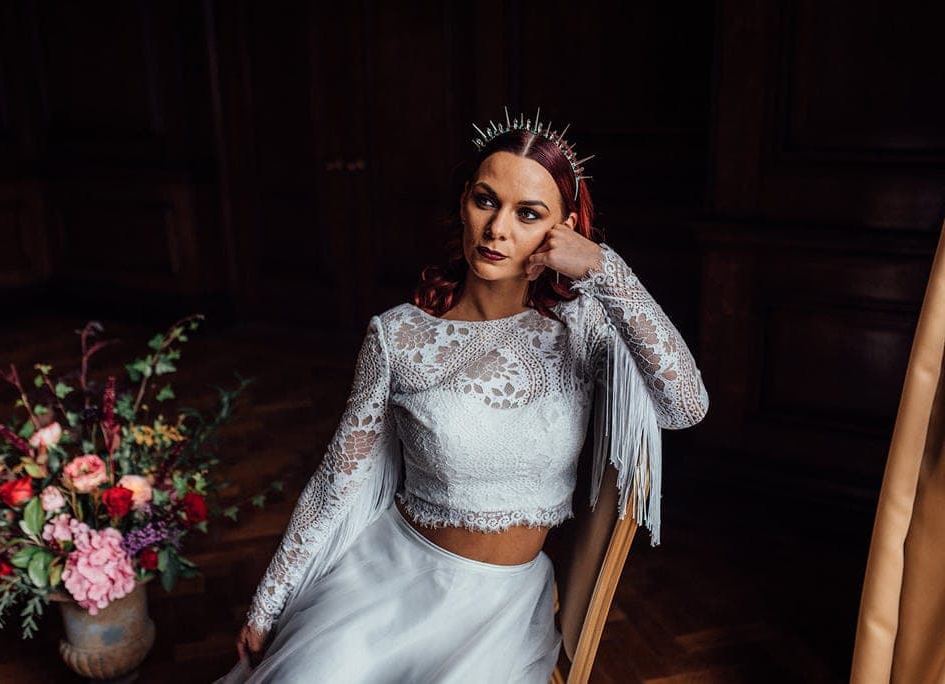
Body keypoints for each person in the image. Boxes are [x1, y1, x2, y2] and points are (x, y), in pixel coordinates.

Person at [214, 106, 710, 683]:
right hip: (386, 580)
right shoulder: (398, 334)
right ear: (463, 203)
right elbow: (338, 480)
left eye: (528, 214)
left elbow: (685, 404)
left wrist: (603, 266)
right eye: (485, 200)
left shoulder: (584, 327)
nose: (498, 228)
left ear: (563, 228)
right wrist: (270, 601)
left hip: (499, 610)